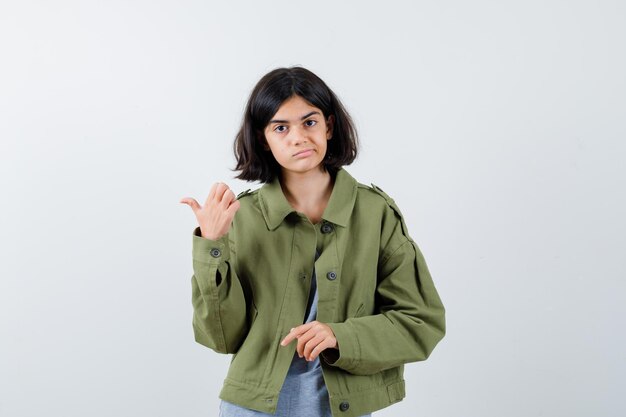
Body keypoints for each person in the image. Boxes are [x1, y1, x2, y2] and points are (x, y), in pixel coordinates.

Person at [180, 66, 446, 417]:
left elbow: (421, 322)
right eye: (280, 127)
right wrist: (212, 246)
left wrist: (341, 337)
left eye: (309, 122)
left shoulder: (374, 213)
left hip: (342, 406)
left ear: (329, 126)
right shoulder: (240, 217)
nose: (298, 137)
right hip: (252, 408)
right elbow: (222, 337)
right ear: (263, 139)